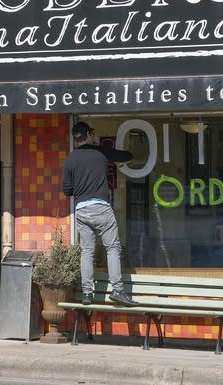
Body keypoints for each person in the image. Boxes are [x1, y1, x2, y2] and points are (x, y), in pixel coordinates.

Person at [62, 121, 138, 307]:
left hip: (81, 210)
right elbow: (128, 155)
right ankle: (118, 291)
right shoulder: (101, 152)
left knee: (87, 251)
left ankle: (87, 293)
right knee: (112, 248)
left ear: (76, 138)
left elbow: (67, 190)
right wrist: (121, 163)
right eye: (92, 133)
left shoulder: (70, 159)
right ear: (88, 134)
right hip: (101, 208)